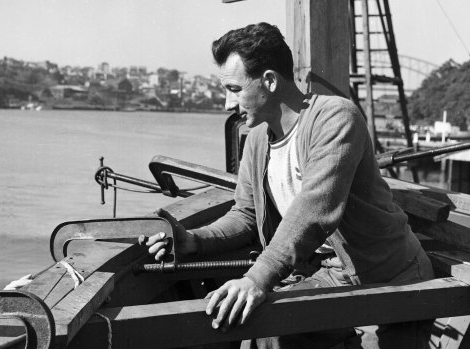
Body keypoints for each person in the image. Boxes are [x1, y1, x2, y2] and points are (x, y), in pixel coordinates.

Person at [145, 22, 434, 349]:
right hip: (330, 271)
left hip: (393, 275)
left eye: (234, 90)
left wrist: (255, 279)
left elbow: (314, 212)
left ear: (269, 81)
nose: (228, 104)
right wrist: (193, 242)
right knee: (270, 331)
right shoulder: (256, 140)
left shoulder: (336, 117)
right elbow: (245, 215)